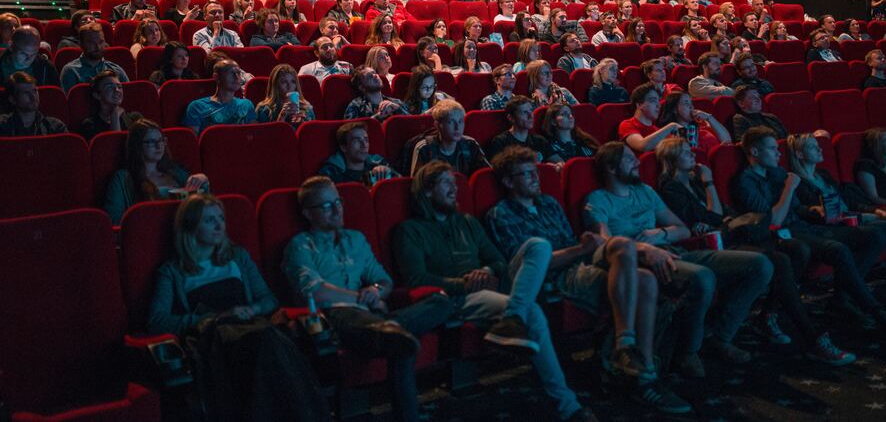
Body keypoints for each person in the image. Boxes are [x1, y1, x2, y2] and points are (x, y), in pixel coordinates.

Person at [485, 147, 692, 413]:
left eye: (535, 172)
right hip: (556, 275)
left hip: (579, 262)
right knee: (645, 281)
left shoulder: (548, 203)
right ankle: (643, 376)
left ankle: (627, 350)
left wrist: (584, 248)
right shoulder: (501, 214)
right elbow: (530, 266)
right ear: (508, 181)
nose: (536, 178)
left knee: (624, 248)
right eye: (526, 174)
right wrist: (581, 250)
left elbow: (574, 244)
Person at [395, 161, 598, 422]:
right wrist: (464, 283)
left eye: (455, 183)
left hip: (493, 283)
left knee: (538, 245)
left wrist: (487, 271)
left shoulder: (467, 222)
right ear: (426, 191)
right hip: (460, 296)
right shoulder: (410, 230)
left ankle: (512, 318)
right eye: (446, 183)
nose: (454, 188)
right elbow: (417, 278)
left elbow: (499, 261)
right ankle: (568, 406)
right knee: (533, 311)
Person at [656, 137, 856, 365]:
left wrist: (716, 205)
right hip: (718, 243)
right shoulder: (670, 186)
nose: (693, 154)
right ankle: (811, 338)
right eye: (684, 152)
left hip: (735, 234)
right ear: (671, 159)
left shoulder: (694, 181)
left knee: (795, 250)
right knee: (778, 261)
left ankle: (768, 316)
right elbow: (711, 216)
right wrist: (710, 184)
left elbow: (719, 214)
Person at [586, 141, 773, 374]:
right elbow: (606, 245)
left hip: (676, 251)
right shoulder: (598, 200)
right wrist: (644, 248)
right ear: (611, 168)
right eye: (628, 159)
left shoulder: (645, 191)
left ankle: (719, 335)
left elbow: (682, 230)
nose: (637, 162)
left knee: (760, 265)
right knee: (703, 277)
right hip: (644, 262)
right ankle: (689, 351)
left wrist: (660, 233)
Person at [733, 128, 886, 345]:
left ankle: (842, 298)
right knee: (838, 249)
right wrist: (789, 188)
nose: (778, 153)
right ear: (755, 152)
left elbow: (797, 210)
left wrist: (816, 211)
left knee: (873, 236)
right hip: (782, 236)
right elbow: (774, 220)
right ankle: (882, 317)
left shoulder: (777, 174)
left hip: (804, 226)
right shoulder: (746, 182)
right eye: (772, 149)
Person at [148, 194, 330, 422]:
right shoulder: (173, 271)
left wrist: (251, 309)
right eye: (209, 220)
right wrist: (210, 318)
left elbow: (268, 299)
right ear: (191, 226)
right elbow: (158, 320)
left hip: (251, 326)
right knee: (269, 343)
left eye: (221, 218)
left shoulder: (237, 257)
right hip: (215, 338)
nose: (219, 225)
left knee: (271, 341)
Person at [284, 177, 451, 422]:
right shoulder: (300, 245)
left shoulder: (356, 239)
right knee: (397, 340)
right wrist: (361, 299)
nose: (337, 209)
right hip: (335, 318)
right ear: (308, 214)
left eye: (338, 202)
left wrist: (375, 291)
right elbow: (314, 292)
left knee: (442, 302)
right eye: (326, 206)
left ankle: (391, 330)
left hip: (372, 316)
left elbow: (384, 282)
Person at [787, 133, 886, 307]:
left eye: (818, 144)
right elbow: (819, 216)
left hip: (859, 217)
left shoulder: (823, 175)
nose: (819, 148)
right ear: (800, 154)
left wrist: (875, 211)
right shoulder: (796, 183)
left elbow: (850, 202)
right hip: (844, 226)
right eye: (812, 146)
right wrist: (866, 216)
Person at [102, 118, 208, 224]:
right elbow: (114, 219)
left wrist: (203, 179)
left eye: (161, 140)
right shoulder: (122, 178)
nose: (159, 146)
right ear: (137, 146)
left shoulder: (175, 172)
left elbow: (203, 203)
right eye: (151, 142)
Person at [409, 100, 489, 176]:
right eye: (451, 122)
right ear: (437, 125)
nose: (457, 127)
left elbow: (486, 176)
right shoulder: (424, 148)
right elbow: (418, 185)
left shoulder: (470, 144)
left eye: (460, 122)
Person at [183, 59, 255, 133]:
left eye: (238, 73)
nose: (237, 78)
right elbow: (193, 142)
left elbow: (254, 137)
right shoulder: (197, 107)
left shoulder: (246, 105)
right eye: (231, 73)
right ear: (216, 77)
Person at [317, 122, 397, 185]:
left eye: (366, 140)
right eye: (356, 140)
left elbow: (399, 186)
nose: (364, 145)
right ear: (343, 147)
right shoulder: (331, 172)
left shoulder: (378, 162)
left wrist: (389, 172)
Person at [61, 23, 129, 92]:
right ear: (81, 44)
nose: (98, 47)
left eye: (101, 42)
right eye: (91, 43)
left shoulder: (116, 70)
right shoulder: (71, 71)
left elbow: (129, 98)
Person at [487, 95, 558, 162]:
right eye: (524, 112)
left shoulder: (539, 141)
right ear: (511, 118)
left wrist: (557, 166)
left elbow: (559, 162)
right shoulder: (501, 142)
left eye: (531, 111)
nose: (531, 116)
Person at [658, 91, 731, 155]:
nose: (691, 107)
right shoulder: (669, 134)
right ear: (674, 109)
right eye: (686, 103)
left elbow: (727, 141)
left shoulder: (703, 128)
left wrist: (709, 117)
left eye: (691, 103)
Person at [78, 70, 142, 140]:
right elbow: (113, 148)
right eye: (109, 87)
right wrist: (115, 117)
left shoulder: (134, 118)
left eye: (119, 87)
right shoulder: (90, 125)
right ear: (97, 95)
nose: (117, 90)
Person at [619, 83, 680, 154]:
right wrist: (671, 126)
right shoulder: (627, 124)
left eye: (658, 101)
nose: (658, 105)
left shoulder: (657, 130)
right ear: (639, 105)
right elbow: (641, 146)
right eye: (653, 100)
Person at [0, 72, 67, 136]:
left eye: (35, 91)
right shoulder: (2, 126)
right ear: (12, 99)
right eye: (26, 93)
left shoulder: (56, 127)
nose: (33, 96)